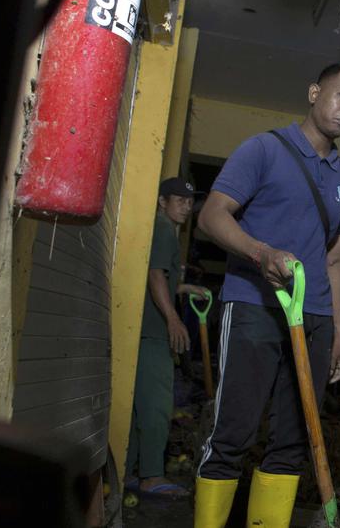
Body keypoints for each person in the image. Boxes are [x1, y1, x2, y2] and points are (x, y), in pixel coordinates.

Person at [193, 63, 340, 528]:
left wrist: (338, 332)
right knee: (233, 433)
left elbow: (337, 257)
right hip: (255, 306)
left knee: (293, 442)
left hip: (314, 318)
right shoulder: (264, 149)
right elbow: (211, 216)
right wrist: (261, 252)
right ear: (314, 93)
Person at [126, 177, 210, 498]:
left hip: (144, 330)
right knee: (157, 406)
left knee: (140, 406)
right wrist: (173, 319)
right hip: (154, 332)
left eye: (189, 202)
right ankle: (151, 476)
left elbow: (161, 276)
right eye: (179, 201)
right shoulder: (163, 229)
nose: (186, 207)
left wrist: (185, 288)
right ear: (162, 202)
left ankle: (131, 471)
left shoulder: (162, 228)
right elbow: (155, 275)